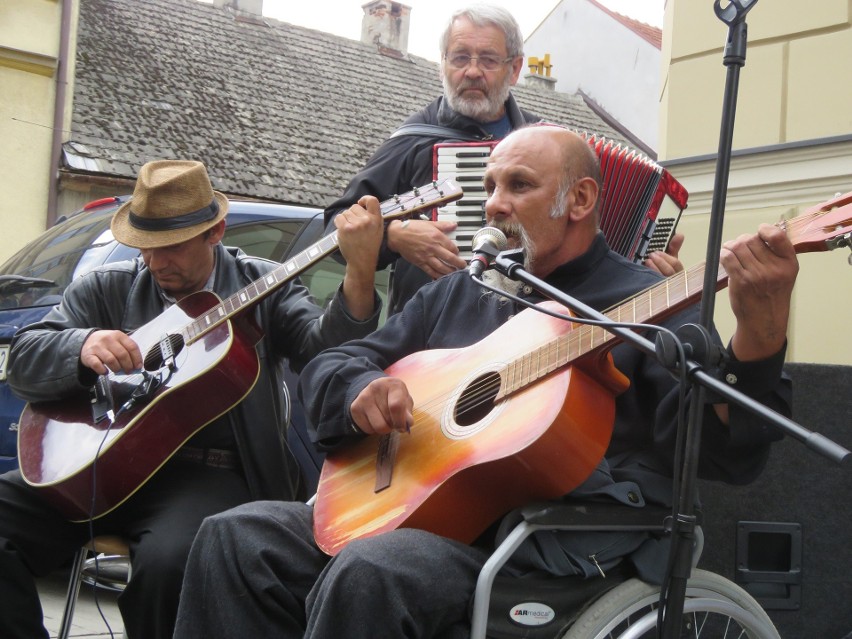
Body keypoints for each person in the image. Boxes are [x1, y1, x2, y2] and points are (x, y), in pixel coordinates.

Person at [172, 125, 798, 638]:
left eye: (519, 186)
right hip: (418, 513)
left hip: (550, 544)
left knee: (372, 571)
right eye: (491, 185)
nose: (494, 203)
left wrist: (760, 337)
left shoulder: (648, 305)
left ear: (580, 201)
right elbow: (336, 362)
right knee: (234, 536)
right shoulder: (462, 291)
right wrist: (360, 388)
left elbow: (723, 452)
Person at [0, 159, 384, 639]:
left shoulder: (261, 284)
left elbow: (327, 350)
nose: (157, 263)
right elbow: (26, 357)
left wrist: (361, 274)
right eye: (146, 248)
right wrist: (80, 346)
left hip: (208, 473)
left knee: (172, 566)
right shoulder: (107, 287)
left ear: (215, 231)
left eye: (173, 247)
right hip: (96, 466)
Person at [324, 4, 684, 318]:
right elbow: (334, 233)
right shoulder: (412, 140)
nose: (473, 71)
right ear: (443, 66)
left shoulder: (551, 145)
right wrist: (394, 236)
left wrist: (643, 269)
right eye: (461, 57)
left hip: (535, 329)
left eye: (489, 59)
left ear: (514, 70)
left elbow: (592, 243)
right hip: (431, 337)